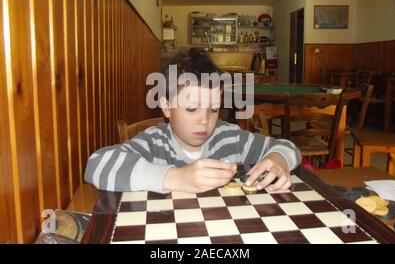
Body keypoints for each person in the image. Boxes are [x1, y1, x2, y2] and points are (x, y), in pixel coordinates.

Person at [84, 48, 301, 194]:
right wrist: (176, 177)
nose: (204, 121)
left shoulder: (229, 137)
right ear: (167, 106)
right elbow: (96, 164)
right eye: (191, 108)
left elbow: (286, 147)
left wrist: (278, 159)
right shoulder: (154, 142)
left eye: (214, 109)